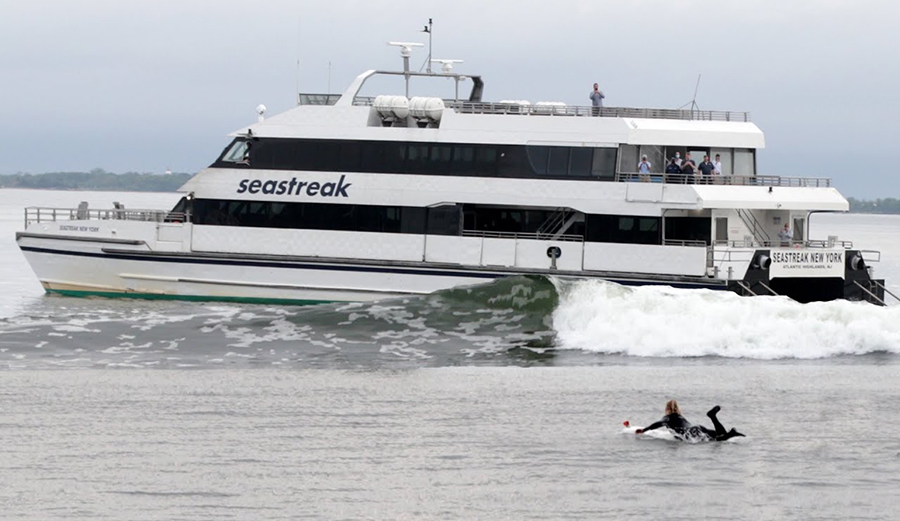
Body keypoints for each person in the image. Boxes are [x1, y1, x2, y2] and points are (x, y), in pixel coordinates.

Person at [636, 400, 744, 442]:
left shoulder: (667, 418)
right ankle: (713, 417)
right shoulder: (680, 416)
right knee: (720, 435)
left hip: (691, 433)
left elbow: (657, 424)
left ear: (667, 409)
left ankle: (731, 433)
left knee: (719, 439)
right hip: (698, 428)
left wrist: (644, 430)